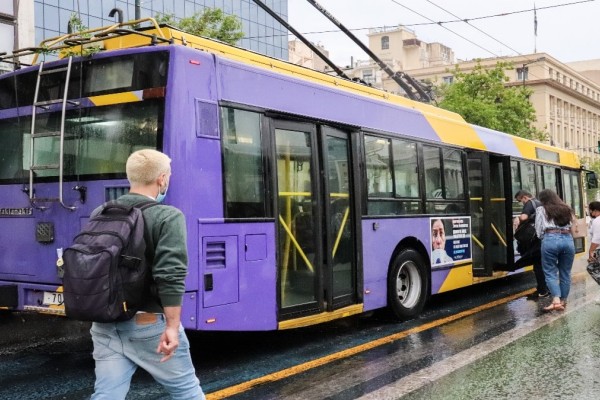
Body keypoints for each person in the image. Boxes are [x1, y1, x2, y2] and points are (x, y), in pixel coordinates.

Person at [90, 149, 205, 399]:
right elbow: (171, 274)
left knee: (107, 394)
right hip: (148, 323)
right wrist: (172, 327)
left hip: (105, 322)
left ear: (130, 177)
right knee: (186, 390)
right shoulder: (167, 216)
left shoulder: (101, 212)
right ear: (162, 179)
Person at [535, 189, 575, 312]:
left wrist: (545, 237)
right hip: (568, 239)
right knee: (565, 272)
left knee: (550, 271)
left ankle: (556, 301)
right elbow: (573, 224)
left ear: (542, 200)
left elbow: (539, 229)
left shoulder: (541, 209)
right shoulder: (567, 208)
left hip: (550, 239)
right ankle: (563, 300)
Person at [514, 190, 548, 299]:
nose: (521, 203)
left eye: (520, 201)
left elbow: (524, 217)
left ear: (524, 197)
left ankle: (542, 290)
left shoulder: (529, 203)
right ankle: (544, 289)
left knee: (538, 266)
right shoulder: (539, 203)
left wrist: (517, 218)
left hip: (535, 241)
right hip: (542, 239)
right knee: (542, 265)